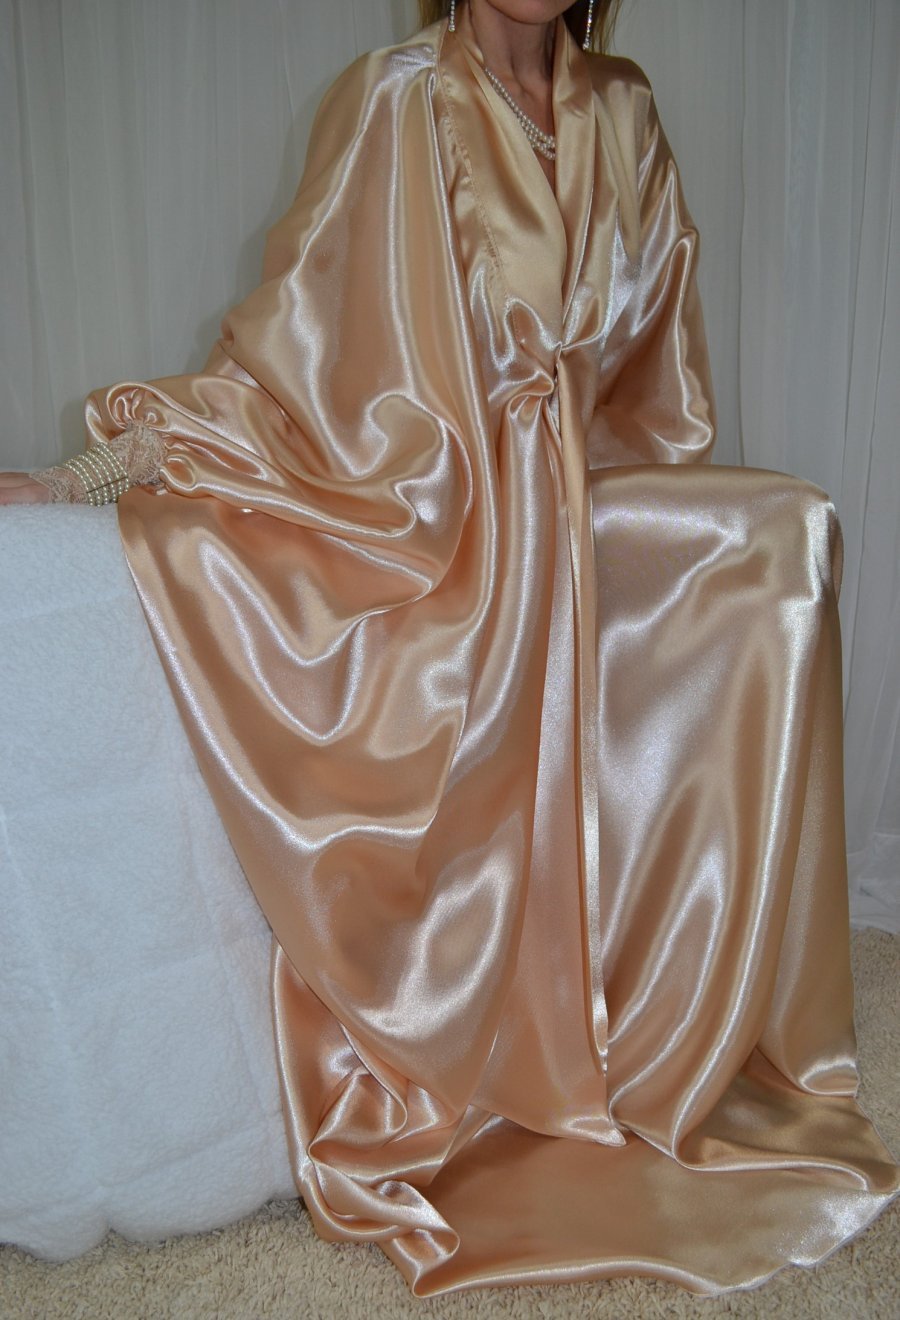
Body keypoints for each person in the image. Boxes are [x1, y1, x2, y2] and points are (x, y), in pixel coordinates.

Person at [2, 0, 898, 1298]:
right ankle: (500, 1036)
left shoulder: (623, 107)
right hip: (431, 519)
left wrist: (599, 539)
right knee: (695, 564)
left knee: (782, 538)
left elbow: (658, 392)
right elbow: (292, 353)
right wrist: (93, 472)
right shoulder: (397, 95)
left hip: (578, 496)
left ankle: (689, 1022)